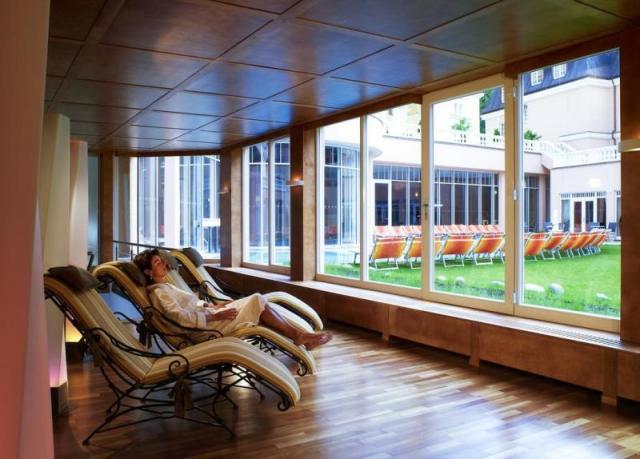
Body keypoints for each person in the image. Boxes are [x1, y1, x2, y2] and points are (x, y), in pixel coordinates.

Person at [133, 249, 332, 349]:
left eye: (162, 260)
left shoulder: (165, 286)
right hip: (204, 331)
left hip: (209, 318)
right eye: (157, 262)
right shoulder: (159, 293)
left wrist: (212, 305)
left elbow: (189, 306)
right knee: (257, 301)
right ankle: (299, 336)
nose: (164, 264)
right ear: (148, 272)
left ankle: (299, 336)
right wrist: (214, 315)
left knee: (258, 304)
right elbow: (179, 318)